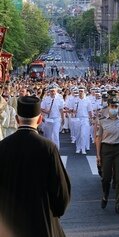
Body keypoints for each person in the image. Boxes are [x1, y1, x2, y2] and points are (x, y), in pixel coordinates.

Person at [0, 96, 71, 237]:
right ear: (39, 120)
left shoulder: (3, 146)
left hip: (9, 222)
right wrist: (55, 212)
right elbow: (61, 192)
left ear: (16, 119)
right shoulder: (48, 147)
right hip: (41, 220)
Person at [96, 95, 119, 214]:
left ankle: (118, 204)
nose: (114, 108)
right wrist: (98, 155)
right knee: (106, 178)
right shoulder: (102, 120)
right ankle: (105, 195)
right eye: (112, 106)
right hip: (106, 149)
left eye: (116, 106)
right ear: (108, 106)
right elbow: (98, 138)